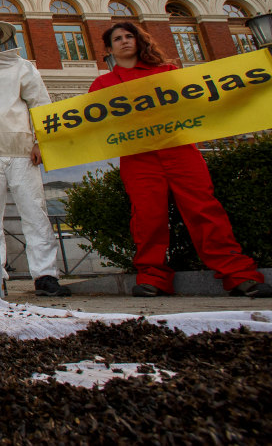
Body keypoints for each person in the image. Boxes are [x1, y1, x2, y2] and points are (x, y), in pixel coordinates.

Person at [90, 21, 271, 298]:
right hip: (138, 157)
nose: (125, 41)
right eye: (118, 39)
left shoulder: (168, 73)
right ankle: (152, 276)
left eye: (129, 36)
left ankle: (239, 274)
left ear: (139, 41)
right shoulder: (103, 84)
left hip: (180, 150)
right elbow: (90, 125)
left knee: (204, 210)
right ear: (109, 48)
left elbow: (197, 103)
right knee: (147, 217)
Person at [0, 16, 70, 298]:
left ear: (0, 35)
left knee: (35, 213)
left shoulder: (24, 68)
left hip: (22, 153)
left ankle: (46, 275)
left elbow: (41, 105)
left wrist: (41, 143)